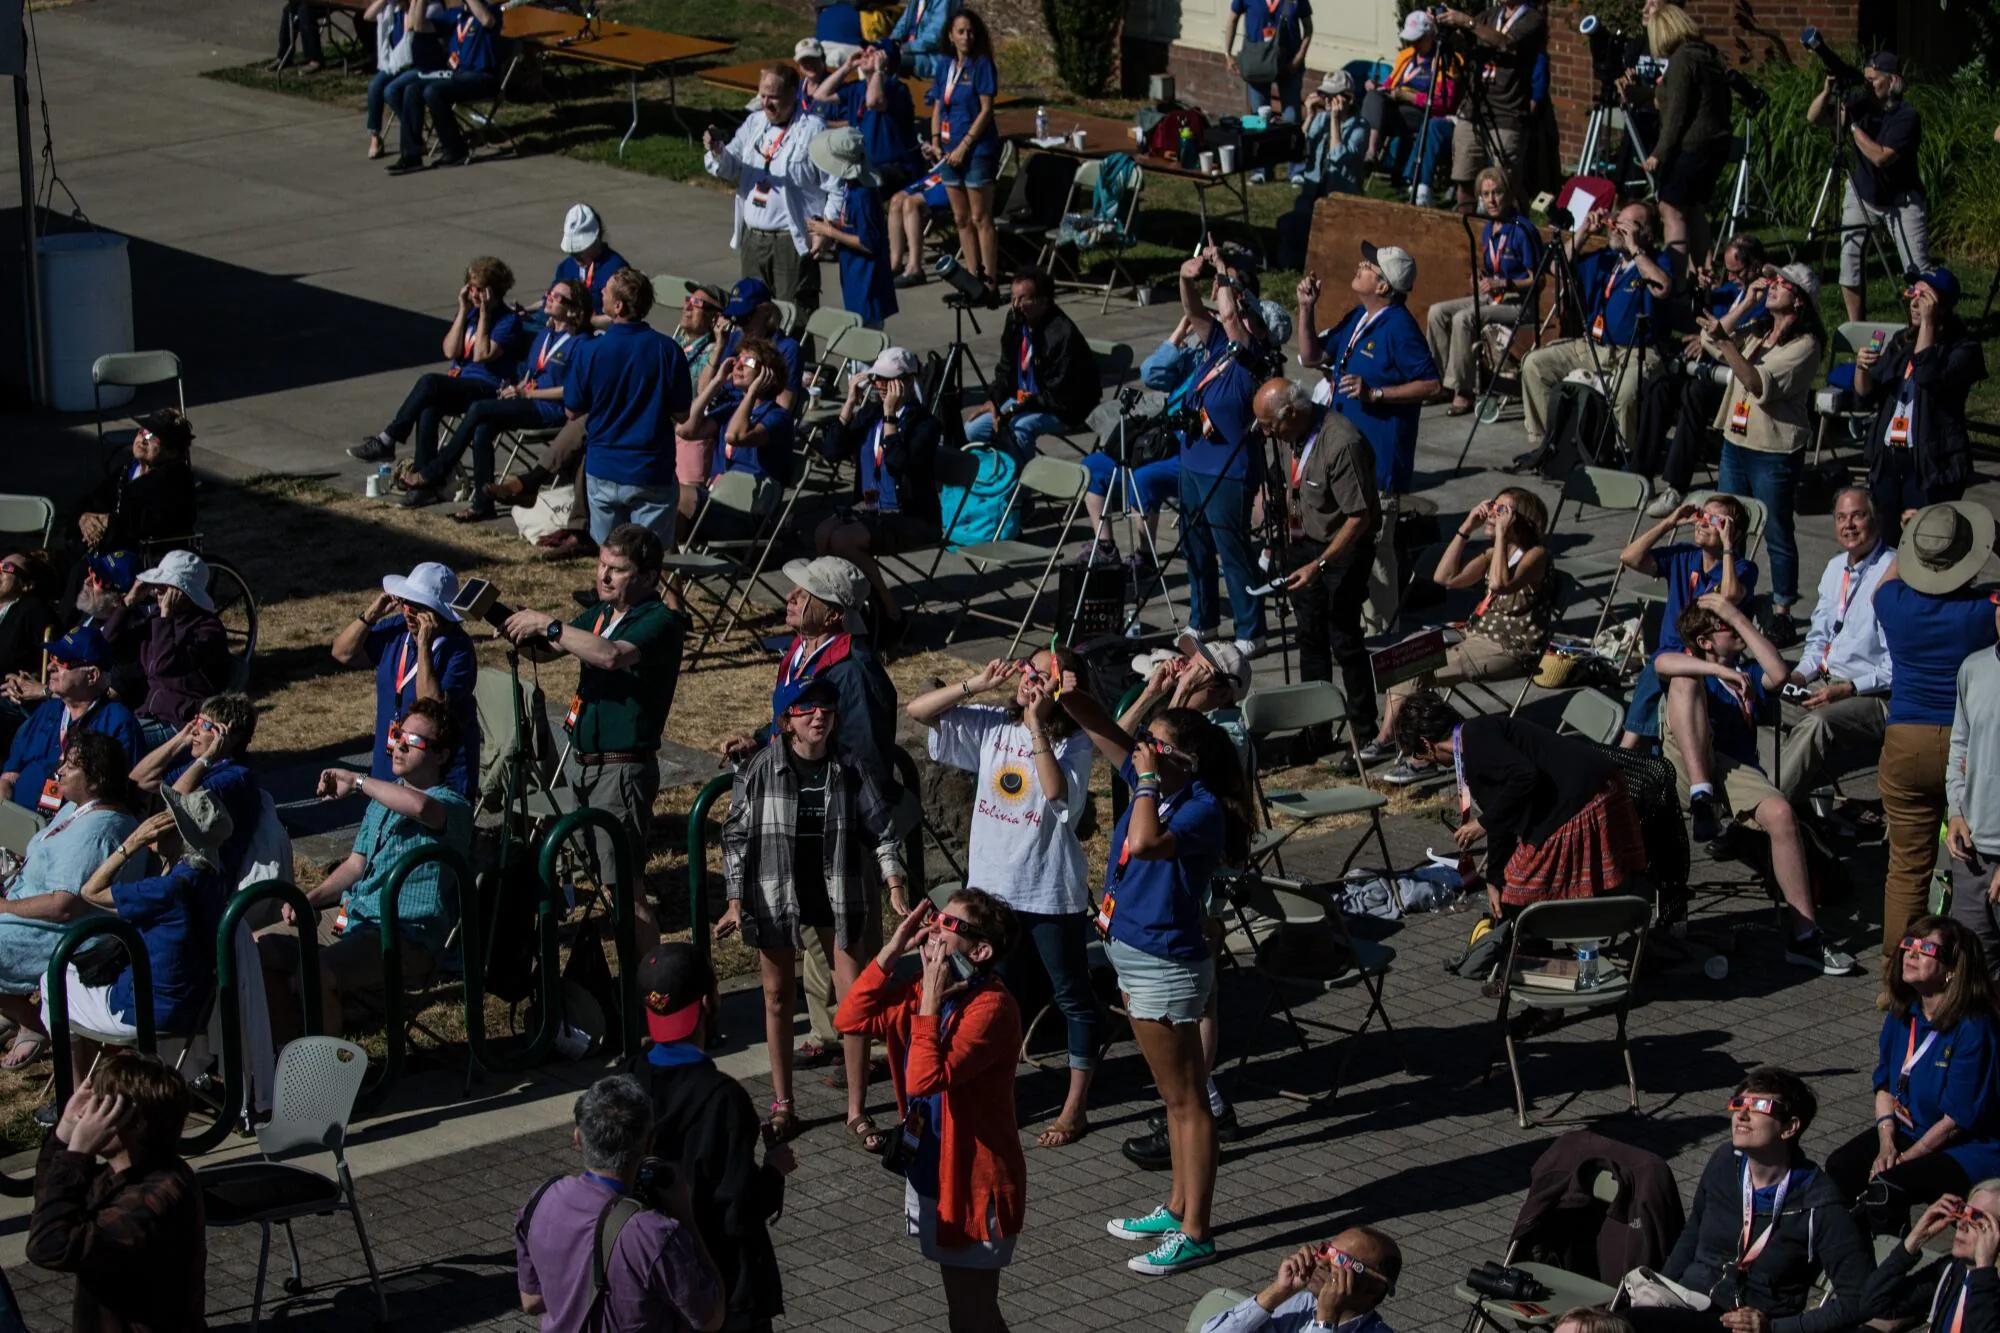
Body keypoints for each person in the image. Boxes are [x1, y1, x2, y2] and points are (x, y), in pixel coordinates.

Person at [1058, 686, 1254, 1276]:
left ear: (1182, 761)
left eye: (1155, 746)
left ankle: (1197, 1231)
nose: (1141, 750)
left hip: (1165, 966)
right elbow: (1095, 720)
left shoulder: (1197, 808)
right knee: (1173, 1098)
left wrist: (1142, 778)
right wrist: (1067, 688)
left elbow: (1142, 844)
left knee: (1189, 1103)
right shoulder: (1162, 785)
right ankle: (1177, 1207)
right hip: (1138, 956)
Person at [907, 650, 1099, 1148]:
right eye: (1027, 670)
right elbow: (918, 712)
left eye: (1043, 676)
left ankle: (1075, 1106)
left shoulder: (1074, 741)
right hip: (994, 896)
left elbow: (1060, 798)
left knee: (1072, 997)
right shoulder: (992, 724)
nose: (1028, 680)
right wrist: (977, 681)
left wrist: (1037, 725)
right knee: (997, 999)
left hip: (1051, 890)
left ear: (1063, 691)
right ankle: (1002, 1091)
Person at [718, 678, 906, 1147]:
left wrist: (894, 884)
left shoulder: (848, 767)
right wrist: (735, 900)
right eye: (806, 711)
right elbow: (735, 838)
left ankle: (857, 1109)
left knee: (855, 1000)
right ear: (786, 722)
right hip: (774, 893)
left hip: (836, 893)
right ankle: (783, 1105)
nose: (818, 717)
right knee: (777, 997)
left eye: (825, 709)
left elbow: (883, 830)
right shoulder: (760, 767)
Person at [837, 889, 1027, 1330]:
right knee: (962, 1310)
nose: (933, 930)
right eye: (935, 918)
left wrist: (927, 1003)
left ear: (979, 951)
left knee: (974, 1312)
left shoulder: (993, 1008)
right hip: (932, 1170)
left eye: (948, 925)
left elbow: (925, 1078)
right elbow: (849, 1019)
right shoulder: (928, 991)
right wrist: (891, 949)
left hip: (974, 1185)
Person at [500, 525, 689, 942]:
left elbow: (610, 656)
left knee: (625, 889)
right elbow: (549, 652)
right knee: (607, 885)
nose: (603, 576)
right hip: (585, 764)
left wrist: (548, 625)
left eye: (616, 570)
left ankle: (648, 992)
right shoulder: (604, 614)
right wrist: (508, 621)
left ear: (648, 576)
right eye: (601, 564)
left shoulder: (659, 621)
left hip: (621, 772)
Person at [1657, 596, 1856, 974]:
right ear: (1705, 642)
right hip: (1681, 767)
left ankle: (1805, 935)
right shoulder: (1691, 667)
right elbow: (1662, 663)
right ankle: (1701, 798)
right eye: (1730, 627)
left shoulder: (1748, 672)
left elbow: (1780, 675)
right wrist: (1717, 672)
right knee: (1685, 681)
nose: (1741, 627)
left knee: (1781, 813)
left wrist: (1735, 618)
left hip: (1732, 774)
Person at [265, 697, 472, 1040]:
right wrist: (309, 900)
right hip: (354, 919)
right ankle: (283, 1059)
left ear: (441, 755)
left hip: (405, 935)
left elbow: (421, 807)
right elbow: (355, 865)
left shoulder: (452, 805)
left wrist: (358, 782)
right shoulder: (382, 800)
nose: (399, 746)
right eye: (397, 735)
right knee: (257, 947)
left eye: (413, 741)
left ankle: (327, 1082)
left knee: (317, 971)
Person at [1624, 1066, 1867, 1332]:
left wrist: (1775, 1328)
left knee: (1626, 1325)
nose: (1741, 1114)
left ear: (1789, 1128)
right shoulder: (1724, 1163)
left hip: (1743, 1325)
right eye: (1738, 1103)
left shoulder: (1820, 1205)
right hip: (1687, 1305)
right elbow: (1693, 1233)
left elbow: (1858, 1299)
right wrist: (1660, 1287)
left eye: (1759, 1106)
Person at [639, 943, 795, 1333]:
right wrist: (773, 1171)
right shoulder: (724, 1100)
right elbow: (738, 1205)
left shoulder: (629, 1080)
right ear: (709, 1003)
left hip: (651, 1271)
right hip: (721, 1281)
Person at [1395, 692, 1647, 917]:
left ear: (1426, 743)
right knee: (1508, 887)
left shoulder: (1476, 738)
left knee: (1520, 892)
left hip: (1587, 794)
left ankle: (1586, 924)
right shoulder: (1473, 742)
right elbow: (1501, 815)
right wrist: (1493, 878)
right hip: (1582, 789)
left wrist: (1482, 824)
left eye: (1420, 755)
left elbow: (1525, 776)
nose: (1428, 762)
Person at [1876, 502, 2000, 957]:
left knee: (1907, 869)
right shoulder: (1983, 610)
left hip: (1906, 741)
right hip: (1967, 748)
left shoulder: (1893, 603)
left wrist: (1910, 539)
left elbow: (1887, 579)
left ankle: (1898, 975)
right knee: (1972, 857)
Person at [1365, 488, 1555, 783]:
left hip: (1509, 648)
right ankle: (1391, 736)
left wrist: (1501, 535)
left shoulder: (1536, 555)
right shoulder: (1494, 552)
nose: (1492, 513)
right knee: (1404, 654)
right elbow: (1445, 578)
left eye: (1501, 510)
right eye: (1493, 506)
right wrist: (1466, 528)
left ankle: (1422, 756)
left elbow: (1501, 584)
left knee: (1417, 667)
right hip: (1473, 634)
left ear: (1522, 519)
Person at [514, 1073, 728, 1333]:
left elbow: (532, 1301)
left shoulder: (541, 1200)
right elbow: (710, 1318)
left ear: (578, 1138)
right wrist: (686, 1216)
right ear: (649, 1143)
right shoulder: (655, 1234)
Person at [1824, 917, 2000, 1230]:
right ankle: (1847, 1257)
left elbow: (1955, 1123)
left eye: (1926, 948)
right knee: (1840, 1168)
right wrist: (1887, 1145)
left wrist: (1903, 1161)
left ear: (1953, 969)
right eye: (1909, 945)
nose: (1911, 953)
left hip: (1967, 1147)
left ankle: (1894, 1264)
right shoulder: (1904, 1011)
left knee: (1887, 1188)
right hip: (1909, 1129)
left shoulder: (1973, 1027)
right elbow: (1884, 1087)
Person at [27, 1052, 205, 1331]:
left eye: (100, 1106)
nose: (86, 1114)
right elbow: (50, 1207)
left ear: (132, 1123)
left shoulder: (152, 1201)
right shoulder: (124, 1173)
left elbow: (49, 1246)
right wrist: (63, 1135)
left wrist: (77, 1154)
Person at [0, 734, 142, 1070]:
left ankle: (32, 1021)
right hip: (35, 915)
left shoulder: (99, 832)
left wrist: (4, 907)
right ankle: (18, 1010)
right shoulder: (77, 810)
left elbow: (64, 904)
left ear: (97, 778)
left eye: (71, 766)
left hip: (64, 932)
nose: (59, 771)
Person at [1700, 263, 1824, 643]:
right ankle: (1727, 595)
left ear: (1799, 301)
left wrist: (1725, 341)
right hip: (1736, 442)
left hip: (1772, 449)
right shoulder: (1758, 329)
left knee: (1775, 529)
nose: (1771, 286)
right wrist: (1744, 305)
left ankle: (1783, 610)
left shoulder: (1805, 346)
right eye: (1770, 280)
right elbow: (1710, 342)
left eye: (1781, 284)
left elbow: (1757, 383)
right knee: (1726, 525)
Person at [1255, 376, 1380, 753]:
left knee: (1344, 640)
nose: (1266, 433)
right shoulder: (1293, 433)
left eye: (1269, 425)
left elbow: (1360, 516)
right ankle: (1316, 731)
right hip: (1303, 544)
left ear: (1291, 413)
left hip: (1342, 551)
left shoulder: (1342, 442)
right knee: (1309, 639)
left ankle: (1366, 731)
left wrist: (1320, 565)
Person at [403, 278, 593, 521]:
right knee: (483, 427)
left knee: (481, 408)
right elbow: (534, 374)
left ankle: (439, 468)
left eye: (558, 298)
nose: (549, 299)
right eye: (550, 294)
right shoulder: (545, 334)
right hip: (528, 399)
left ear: (574, 310)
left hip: (550, 409)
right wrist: (518, 387)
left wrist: (527, 393)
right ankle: (483, 505)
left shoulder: (582, 344)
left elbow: (571, 390)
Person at [58, 786, 230, 1047]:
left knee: (55, 978)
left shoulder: (167, 889)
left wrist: (133, 842)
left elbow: (90, 892)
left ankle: (79, 1079)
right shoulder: (211, 880)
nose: (155, 822)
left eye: (165, 819)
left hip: (144, 1010)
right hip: (192, 1006)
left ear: (178, 834)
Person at [1176, 247, 1284, 656]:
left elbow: (1230, 319)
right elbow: (1195, 312)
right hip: (1194, 459)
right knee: (1196, 546)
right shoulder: (1220, 342)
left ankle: (1250, 629)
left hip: (1230, 468)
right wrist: (1188, 278)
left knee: (1232, 551)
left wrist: (1222, 272)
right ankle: (1202, 620)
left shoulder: (1257, 354)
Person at [1630, 235, 1770, 517]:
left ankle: (1675, 485)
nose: (1730, 278)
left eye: (1737, 271)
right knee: (1661, 386)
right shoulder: (1732, 291)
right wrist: (1701, 294)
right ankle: (1639, 474)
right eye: (1727, 270)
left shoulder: (1764, 298)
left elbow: (1730, 335)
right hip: (1709, 364)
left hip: (1737, 375)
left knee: (1695, 392)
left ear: (1755, 266)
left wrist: (1709, 338)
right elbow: (1703, 322)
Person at [1520, 203, 1675, 458]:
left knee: (1624, 394)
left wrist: (1636, 249)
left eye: (1628, 224)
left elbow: (1662, 287)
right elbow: (1556, 269)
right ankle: (1549, 442)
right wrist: (1583, 233)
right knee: (1534, 364)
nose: (1616, 228)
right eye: (1617, 221)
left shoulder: (1656, 260)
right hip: (1592, 346)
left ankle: (1628, 455)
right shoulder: (1604, 259)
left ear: (1646, 234)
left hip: (1635, 353)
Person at [719, 556, 897, 774]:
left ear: (832, 615)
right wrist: (758, 742)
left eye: (804, 595)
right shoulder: (799, 651)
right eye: (794, 591)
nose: (789, 597)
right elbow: (793, 720)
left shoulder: (852, 672)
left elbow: (866, 759)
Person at [814, 346, 942, 639]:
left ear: (908, 381)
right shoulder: (870, 413)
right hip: (871, 509)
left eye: (887, 379)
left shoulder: (925, 424)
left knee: (843, 540)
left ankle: (889, 611)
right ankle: (837, 610)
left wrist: (890, 419)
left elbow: (898, 465)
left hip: (910, 515)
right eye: (876, 379)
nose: (880, 385)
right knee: (823, 533)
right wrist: (849, 405)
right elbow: (832, 451)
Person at [565, 268, 696, 546]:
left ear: (619, 306)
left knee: (610, 558)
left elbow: (572, 409)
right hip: (650, 470)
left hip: (603, 468)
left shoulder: (589, 351)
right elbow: (683, 414)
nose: (600, 292)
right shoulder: (668, 350)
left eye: (606, 291)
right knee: (649, 561)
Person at [351, 256, 526, 464]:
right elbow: (450, 351)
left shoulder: (508, 321)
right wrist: (463, 310)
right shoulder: (470, 315)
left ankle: (388, 438)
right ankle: (423, 476)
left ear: (493, 291)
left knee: (429, 382)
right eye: (470, 288)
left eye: (479, 289)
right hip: (461, 382)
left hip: (487, 387)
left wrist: (485, 315)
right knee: (428, 407)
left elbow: (481, 355)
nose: (474, 295)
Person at [1297, 243, 1440, 496]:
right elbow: (1312, 357)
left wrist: (1376, 394)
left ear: (1382, 287)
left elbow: (1431, 385)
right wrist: (1306, 309)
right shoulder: (1359, 316)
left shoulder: (1400, 328)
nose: (1361, 265)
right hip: (1346, 452)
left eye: (1369, 265)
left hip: (1377, 463)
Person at [1614, 493, 1755, 751]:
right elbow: (1629, 558)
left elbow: (1730, 595)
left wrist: (1727, 547)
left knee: (1656, 670)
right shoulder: (1683, 556)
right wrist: (1669, 522)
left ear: (1732, 533)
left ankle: (1625, 752)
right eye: (1702, 516)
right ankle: (1630, 753)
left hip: (1706, 659)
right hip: (1670, 654)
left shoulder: (1743, 569)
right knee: (1658, 668)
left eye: (1714, 520)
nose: (1702, 523)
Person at [330, 560, 481, 799]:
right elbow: (343, 653)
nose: (408, 613)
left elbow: (429, 706)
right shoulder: (397, 629)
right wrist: (372, 614)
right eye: (406, 603)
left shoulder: (459, 650)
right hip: (391, 762)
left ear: (439, 612)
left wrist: (423, 644)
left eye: (418, 607)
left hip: (436, 776)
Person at [1858, 266, 1987, 542]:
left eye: (1923, 296)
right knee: (1883, 541)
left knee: (1925, 542)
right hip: (1890, 459)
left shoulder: (1964, 350)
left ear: (1942, 305)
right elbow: (1867, 396)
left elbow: (1927, 375)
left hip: (1930, 464)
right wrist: (1861, 369)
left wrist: (1928, 325)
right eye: (1912, 293)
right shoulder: (1901, 341)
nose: (1914, 302)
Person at [1781, 488, 1892, 808]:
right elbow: (1818, 638)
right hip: (1825, 681)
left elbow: (1897, 665)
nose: (1849, 525)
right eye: (1841, 518)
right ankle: (1791, 801)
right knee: (1762, 700)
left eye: (1858, 515)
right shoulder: (1834, 568)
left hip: (1872, 694)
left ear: (1876, 520)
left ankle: (1763, 817)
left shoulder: (1892, 572)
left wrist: (1848, 688)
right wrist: (1800, 676)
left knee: (1817, 723)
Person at [1808, 51, 1928, 323]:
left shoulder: (1906, 116)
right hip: (1863, 192)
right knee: (1849, 260)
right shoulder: (1859, 103)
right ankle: (1856, 326)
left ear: (1893, 81)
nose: (1868, 85)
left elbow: (1881, 156)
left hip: (1902, 200)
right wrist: (1828, 90)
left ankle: (1923, 327)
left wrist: (1851, 127)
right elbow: (1814, 118)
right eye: (1865, 79)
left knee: (1917, 269)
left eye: (1873, 80)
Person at [703, 65, 829, 312]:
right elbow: (732, 169)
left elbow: (833, 185)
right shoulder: (754, 123)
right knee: (751, 314)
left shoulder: (814, 129)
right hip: (753, 239)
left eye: (773, 97)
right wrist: (718, 150)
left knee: (793, 315)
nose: (766, 103)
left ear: (793, 94)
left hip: (789, 241)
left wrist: (825, 228)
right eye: (762, 95)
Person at [1425, 168, 1540, 416]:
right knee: (1437, 312)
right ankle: (1440, 382)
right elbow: (1491, 269)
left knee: (1464, 318)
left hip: (1518, 302)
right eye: (1486, 194)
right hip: (1494, 297)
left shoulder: (1523, 229)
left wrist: (1506, 283)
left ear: (1509, 195)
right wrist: (1480, 279)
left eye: (1497, 192)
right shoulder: (1489, 228)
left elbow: (1537, 279)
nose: (1491, 200)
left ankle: (1463, 389)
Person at [0, 627, 144, 815]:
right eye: (52, 658)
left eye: (62, 661)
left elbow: (116, 803)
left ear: (92, 675)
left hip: (66, 830)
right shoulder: (49, 709)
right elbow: (10, 774)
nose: (51, 666)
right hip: (17, 819)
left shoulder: (118, 723)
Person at [964, 268, 1099, 459]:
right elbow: (1006, 367)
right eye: (1013, 297)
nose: (1015, 305)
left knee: (1020, 428)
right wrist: (993, 400)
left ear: (1043, 302)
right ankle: (999, 478)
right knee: (973, 429)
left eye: (1023, 299)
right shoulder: (1015, 320)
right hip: (1023, 400)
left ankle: (1020, 484)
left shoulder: (1061, 335)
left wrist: (1013, 411)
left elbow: (1057, 395)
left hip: (1061, 409)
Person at [1632, 4, 1731, 265]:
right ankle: (1702, 274)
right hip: (1715, 145)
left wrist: (1658, 153)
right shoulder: (1706, 55)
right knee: (1695, 209)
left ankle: (1675, 277)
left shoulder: (1682, 60)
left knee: (1670, 208)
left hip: (1692, 148)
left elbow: (1676, 113)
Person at [130, 690, 263, 882]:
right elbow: (138, 781)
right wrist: (179, 740)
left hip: (202, 878)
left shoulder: (235, 777)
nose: (195, 730)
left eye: (206, 725)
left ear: (229, 736)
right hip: (177, 864)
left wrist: (206, 758)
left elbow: (174, 804)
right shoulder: (202, 765)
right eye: (196, 722)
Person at [678, 338, 797, 529]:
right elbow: (686, 430)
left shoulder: (777, 417)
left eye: (748, 362)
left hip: (749, 512)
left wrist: (752, 393)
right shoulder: (732, 409)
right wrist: (717, 382)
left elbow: (735, 437)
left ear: (767, 375)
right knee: (672, 515)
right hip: (718, 502)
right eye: (737, 360)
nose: (739, 366)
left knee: (672, 493)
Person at [1434, 0, 1547, 202]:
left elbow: (1506, 42)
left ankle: (1515, 231)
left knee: (1504, 186)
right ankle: (1465, 229)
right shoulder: (1489, 15)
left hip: (1507, 113)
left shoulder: (1533, 19)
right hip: (1473, 109)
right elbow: (1464, 42)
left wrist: (1467, 22)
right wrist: (1445, 24)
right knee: (1464, 179)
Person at [119, 549, 233, 747]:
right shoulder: (156, 619)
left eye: (163, 588)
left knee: (117, 744)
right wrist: (127, 603)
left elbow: (164, 667)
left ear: (181, 592)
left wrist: (166, 616)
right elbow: (106, 643)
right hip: (149, 712)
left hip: (181, 722)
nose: (156, 593)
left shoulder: (208, 630)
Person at [924, 9, 1002, 295]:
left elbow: (986, 111)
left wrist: (965, 145)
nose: (966, 36)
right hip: (946, 151)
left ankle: (990, 282)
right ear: (950, 36)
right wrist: (934, 141)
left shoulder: (982, 65)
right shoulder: (944, 65)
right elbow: (937, 106)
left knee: (981, 217)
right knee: (960, 218)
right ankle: (971, 279)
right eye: (960, 31)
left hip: (975, 150)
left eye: (970, 31)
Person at [1199, 1226, 1403, 1332]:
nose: (1322, 1263)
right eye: (1326, 1250)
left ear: (1373, 1288)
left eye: (1340, 1259)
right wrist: (1277, 1292)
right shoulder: (1302, 1305)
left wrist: (1325, 1321)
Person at [1860, 1181, 2000, 1332]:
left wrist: (1984, 1273)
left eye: (1978, 1219)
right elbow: (1874, 1304)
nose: (1961, 1224)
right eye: (1962, 1212)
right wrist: (1914, 1240)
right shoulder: (1954, 1270)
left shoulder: (1989, 1286)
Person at [387, 0, 502, 172]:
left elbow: (487, 20)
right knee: (413, 88)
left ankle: (455, 150)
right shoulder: (455, 15)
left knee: (433, 91)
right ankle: (411, 155)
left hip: (481, 76)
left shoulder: (491, 10)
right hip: (455, 74)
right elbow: (417, 26)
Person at [1361, 10, 1460, 200]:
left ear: (1430, 36)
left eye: (1418, 40)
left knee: (1381, 106)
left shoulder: (1444, 61)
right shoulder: (1406, 56)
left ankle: (1409, 177)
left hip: (1423, 113)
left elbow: (1444, 103)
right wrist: (1379, 87)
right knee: (1373, 97)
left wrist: (1409, 97)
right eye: (1410, 40)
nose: (1413, 44)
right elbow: (1390, 83)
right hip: (1397, 108)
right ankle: (1370, 152)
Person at [808, 127, 898, 330]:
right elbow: (856, 227)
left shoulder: (862, 196)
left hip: (867, 279)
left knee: (866, 331)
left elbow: (869, 243)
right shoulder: (854, 187)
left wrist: (829, 232)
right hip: (854, 274)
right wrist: (834, 225)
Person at [1276, 70, 1366, 268]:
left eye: (1331, 96)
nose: (1326, 100)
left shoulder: (1360, 128)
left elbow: (1337, 156)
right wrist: (1310, 115)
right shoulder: (1320, 118)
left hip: (1339, 200)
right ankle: (1294, 264)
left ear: (1348, 99)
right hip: (1311, 194)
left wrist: (1335, 120)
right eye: (1324, 95)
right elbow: (1297, 146)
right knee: (1288, 224)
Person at [78, 409, 198, 556]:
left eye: (152, 437)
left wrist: (108, 521)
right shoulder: (129, 469)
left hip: (151, 557)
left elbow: (152, 521)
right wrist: (86, 519)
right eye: (142, 432)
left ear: (172, 451)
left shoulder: (176, 479)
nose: (143, 439)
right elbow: (97, 498)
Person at [808, 42, 923, 191]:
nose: (865, 54)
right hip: (866, 166)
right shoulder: (859, 87)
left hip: (896, 167)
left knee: (853, 186)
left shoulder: (896, 89)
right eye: (865, 51)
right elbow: (820, 95)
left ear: (885, 61)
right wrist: (847, 67)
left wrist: (878, 71)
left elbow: (873, 102)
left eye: (873, 52)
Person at [1222, 0, 1313, 185]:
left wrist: (1298, 58)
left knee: (1291, 116)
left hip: (1289, 63)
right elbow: (1232, 19)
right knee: (1259, 119)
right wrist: (1227, 53)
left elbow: (1308, 29)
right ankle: (1261, 169)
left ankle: (1296, 169)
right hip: (1258, 62)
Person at [363, 0, 444, 161]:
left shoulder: (432, 7)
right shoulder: (392, 8)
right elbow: (368, 16)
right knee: (375, 86)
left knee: (391, 91)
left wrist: (412, 5)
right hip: (396, 64)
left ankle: (414, 134)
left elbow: (413, 28)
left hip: (419, 63)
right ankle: (375, 136)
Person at [554, 201, 629, 322]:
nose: (575, 256)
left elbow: (624, 316)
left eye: (580, 250)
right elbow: (550, 300)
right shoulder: (566, 266)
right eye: (572, 252)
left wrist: (587, 321)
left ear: (596, 239)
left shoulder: (616, 270)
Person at [0, 550, 56, 684]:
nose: (0, 570)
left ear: (26, 585)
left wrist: (33, 676)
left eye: (7, 567)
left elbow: (50, 661)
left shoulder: (33, 610)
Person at [889, 0, 957, 75]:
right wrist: (892, 42)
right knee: (878, 53)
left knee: (888, 60)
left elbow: (934, 37)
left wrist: (906, 48)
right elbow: (903, 23)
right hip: (910, 49)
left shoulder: (943, 2)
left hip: (931, 57)